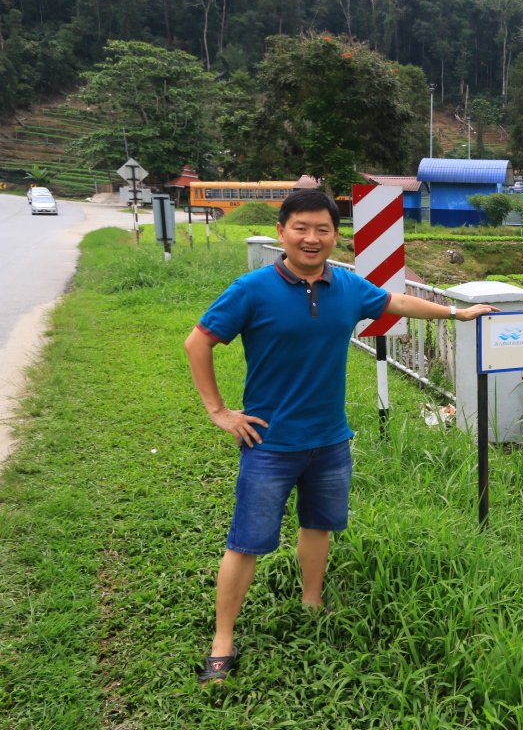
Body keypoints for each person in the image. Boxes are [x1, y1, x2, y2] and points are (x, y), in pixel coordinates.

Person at [185, 189, 496, 683]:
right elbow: (198, 341)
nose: (312, 238)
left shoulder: (348, 287)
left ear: (335, 235)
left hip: (330, 439)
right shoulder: (251, 289)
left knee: (319, 525)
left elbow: (395, 301)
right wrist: (219, 411)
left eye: (323, 229)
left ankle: (312, 603)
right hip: (268, 441)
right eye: (301, 228)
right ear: (284, 230)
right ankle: (223, 639)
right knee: (245, 541)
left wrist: (458, 314)